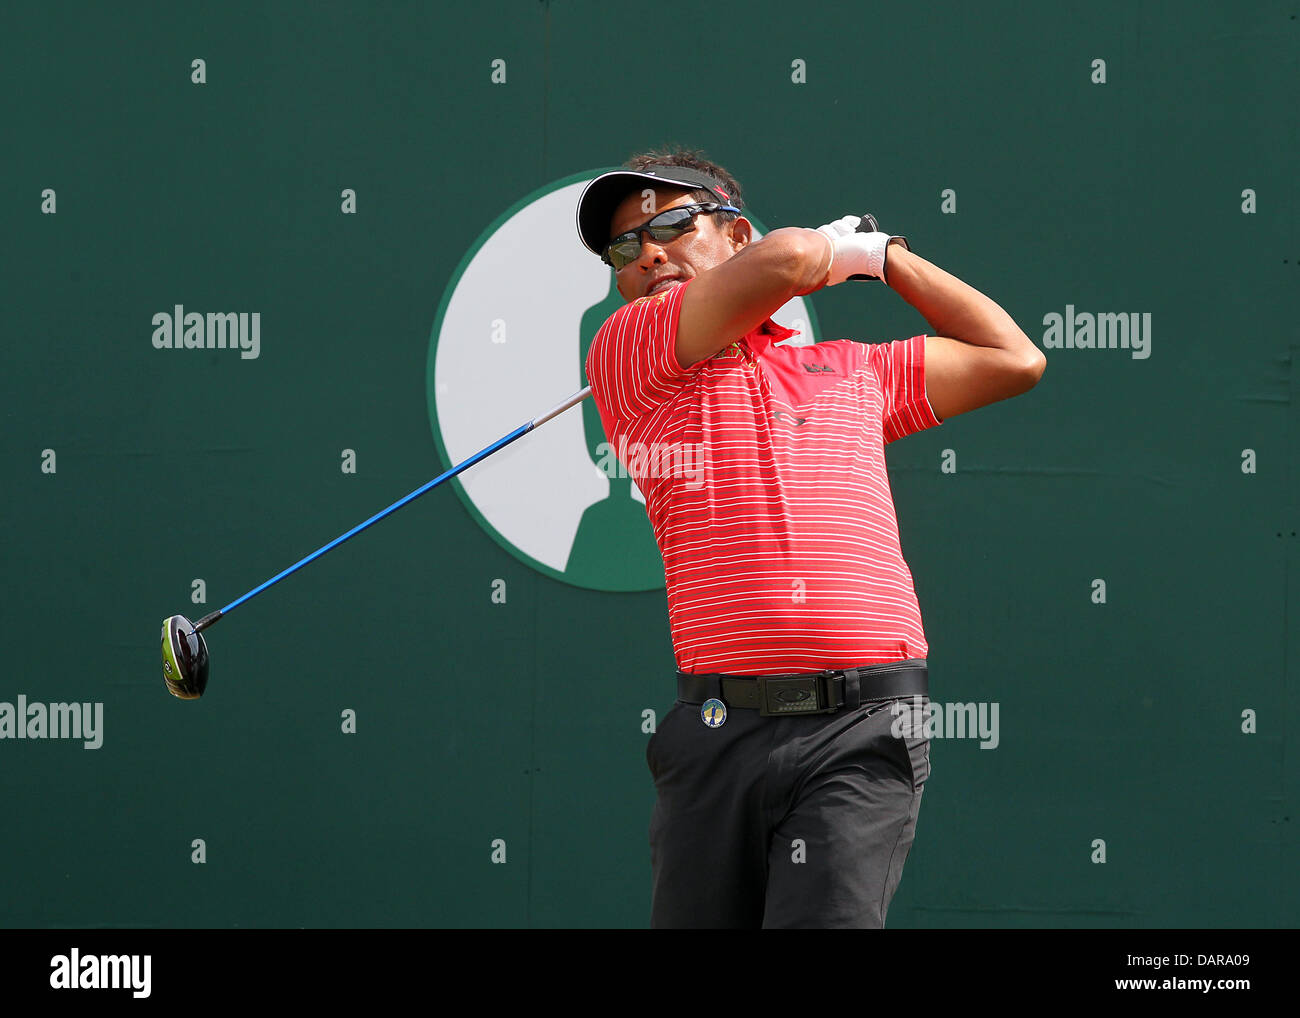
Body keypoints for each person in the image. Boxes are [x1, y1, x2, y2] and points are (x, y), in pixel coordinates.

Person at [576, 147, 1045, 929]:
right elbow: (791, 258)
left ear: (735, 234)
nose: (648, 253)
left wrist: (888, 260)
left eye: (671, 223)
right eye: (624, 248)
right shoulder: (629, 354)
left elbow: (1014, 358)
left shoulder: (854, 372)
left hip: (861, 730)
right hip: (717, 735)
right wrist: (839, 252)